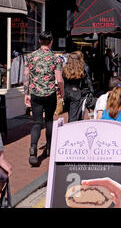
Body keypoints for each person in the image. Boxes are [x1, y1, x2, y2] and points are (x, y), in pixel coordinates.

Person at [23, 31, 64, 166]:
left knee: (36, 123)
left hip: (35, 93)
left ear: (40, 41)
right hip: (50, 93)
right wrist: (62, 93)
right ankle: (49, 148)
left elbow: (26, 77)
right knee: (49, 121)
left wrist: (26, 93)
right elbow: (59, 79)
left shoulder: (30, 57)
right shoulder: (56, 59)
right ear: (51, 42)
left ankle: (33, 149)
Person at [63, 51, 94, 122]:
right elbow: (88, 82)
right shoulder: (81, 70)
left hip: (67, 93)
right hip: (77, 94)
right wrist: (91, 92)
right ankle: (72, 130)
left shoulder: (65, 70)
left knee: (70, 113)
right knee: (75, 116)